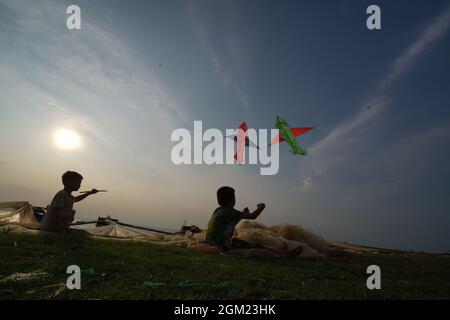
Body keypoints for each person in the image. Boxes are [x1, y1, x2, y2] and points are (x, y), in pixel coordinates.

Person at [205, 186, 265, 250]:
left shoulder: (218, 210)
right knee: (239, 242)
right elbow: (253, 216)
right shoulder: (232, 211)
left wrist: (242, 214)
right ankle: (254, 246)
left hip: (209, 241)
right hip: (221, 244)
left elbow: (229, 224)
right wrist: (261, 207)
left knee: (235, 241)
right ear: (233, 200)